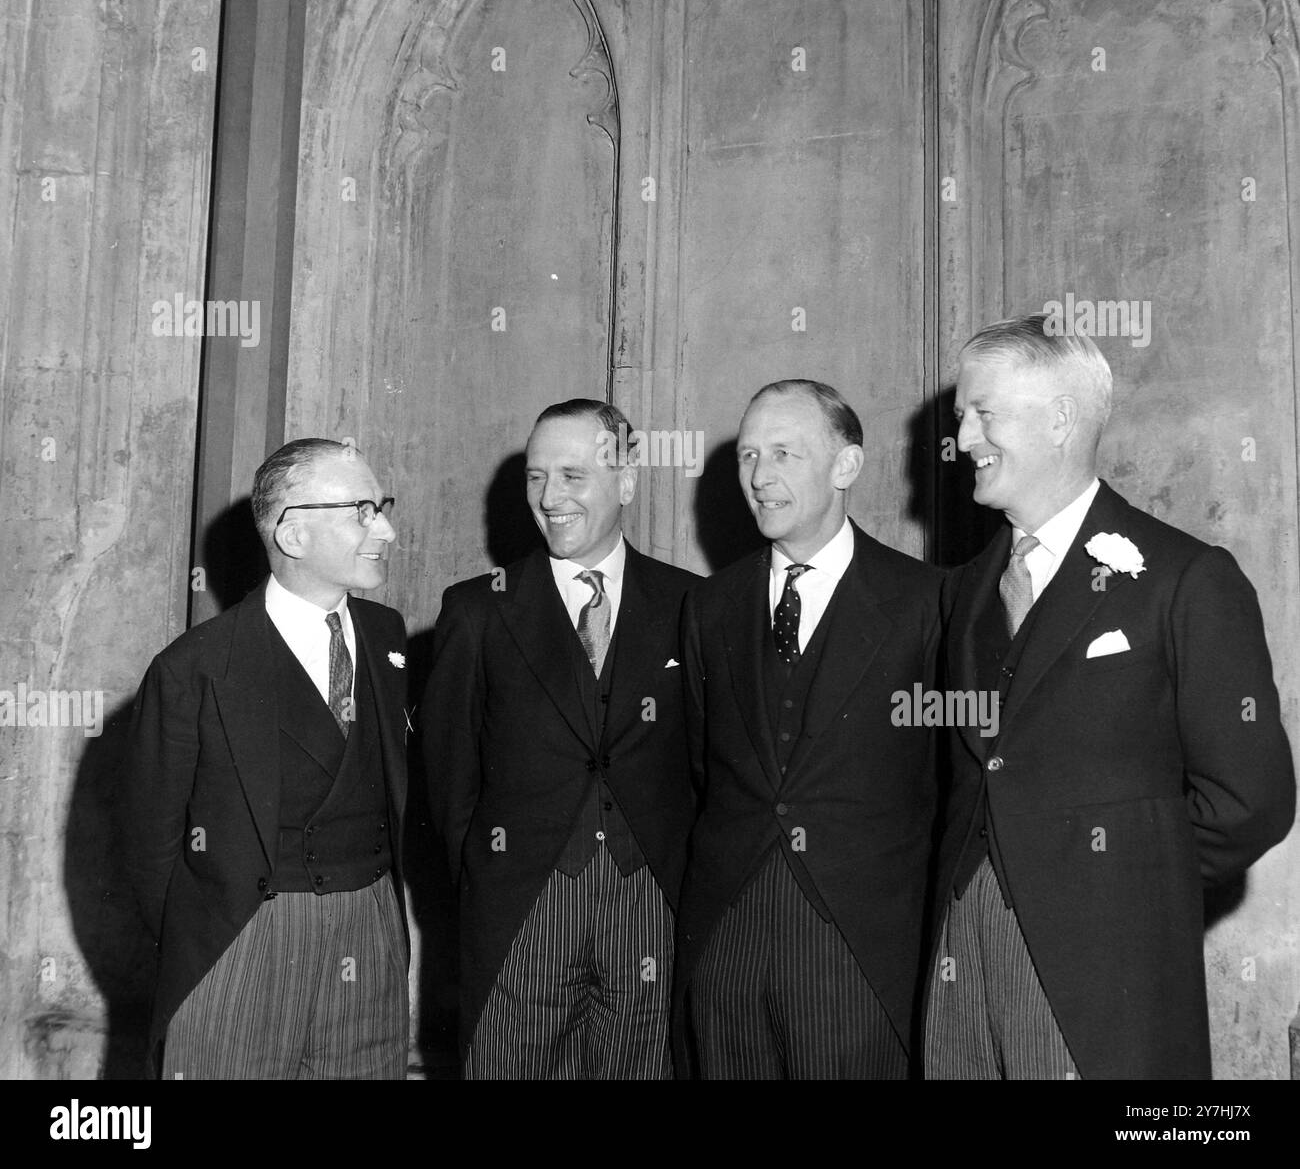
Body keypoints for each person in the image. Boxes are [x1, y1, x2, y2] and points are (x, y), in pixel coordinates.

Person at [926, 314, 1295, 1079]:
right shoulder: (964, 590)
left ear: (1060, 419)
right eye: (963, 416)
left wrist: (1126, 889)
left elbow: (1251, 797)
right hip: (959, 972)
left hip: (1101, 986)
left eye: (982, 412)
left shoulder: (1184, 579)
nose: (962, 438)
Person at [676, 379, 943, 1078]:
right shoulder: (709, 607)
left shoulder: (926, 604)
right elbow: (703, 771)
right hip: (727, 943)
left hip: (860, 950)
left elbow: (941, 786)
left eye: (785, 454)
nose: (760, 478)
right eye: (748, 457)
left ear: (846, 466)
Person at [424, 399, 698, 1078]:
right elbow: (447, 776)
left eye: (573, 476)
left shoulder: (693, 605)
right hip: (521, 909)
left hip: (652, 910)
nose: (550, 498)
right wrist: (492, 882)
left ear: (626, 480)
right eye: (536, 477)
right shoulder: (477, 608)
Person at [121, 438, 410, 1078]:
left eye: (382, 506)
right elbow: (149, 848)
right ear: (294, 532)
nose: (385, 528)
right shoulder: (194, 668)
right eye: (362, 510)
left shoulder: (390, 639)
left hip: (369, 932)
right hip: (240, 936)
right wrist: (212, 942)